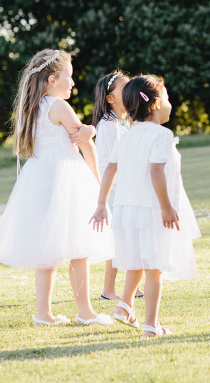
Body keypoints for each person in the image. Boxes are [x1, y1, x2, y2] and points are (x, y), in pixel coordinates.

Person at [0, 48, 114, 326]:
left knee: (48, 251)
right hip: (66, 177)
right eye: (69, 76)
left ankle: (43, 314)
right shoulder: (59, 106)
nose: (73, 82)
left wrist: (89, 131)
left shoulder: (30, 108)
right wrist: (95, 175)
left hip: (39, 178)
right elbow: (85, 143)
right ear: (51, 80)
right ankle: (85, 312)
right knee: (78, 247)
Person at [90, 74, 200, 337]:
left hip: (127, 210)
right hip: (151, 209)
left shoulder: (127, 135)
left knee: (137, 262)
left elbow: (110, 169)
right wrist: (166, 207)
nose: (170, 103)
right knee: (154, 269)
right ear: (157, 103)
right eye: (168, 97)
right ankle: (151, 325)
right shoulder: (161, 134)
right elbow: (156, 172)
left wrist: (102, 203)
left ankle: (125, 306)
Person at [91, 71, 144, 300]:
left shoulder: (129, 122)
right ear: (110, 98)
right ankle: (108, 290)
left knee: (133, 236)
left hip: (130, 187)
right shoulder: (108, 125)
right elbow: (105, 163)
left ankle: (134, 285)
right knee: (117, 240)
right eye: (124, 89)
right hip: (115, 190)